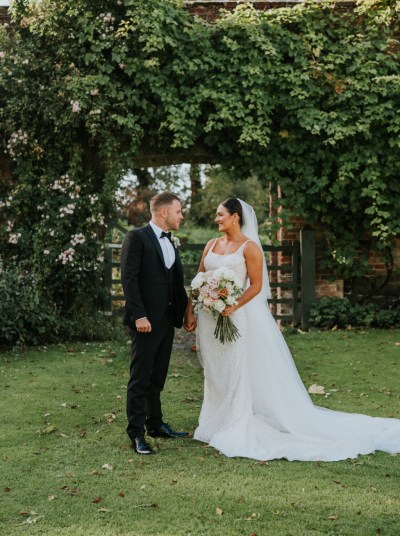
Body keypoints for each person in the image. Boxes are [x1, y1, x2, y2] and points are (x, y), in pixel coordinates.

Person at [184, 198, 400, 461]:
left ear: (236, 217)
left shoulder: (249, 248)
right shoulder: (211, 245)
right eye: (216, 215)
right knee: (215, 371)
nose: (216, 219)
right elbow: (198, 281)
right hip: (208, 318)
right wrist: (190, 311)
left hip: (233, 316)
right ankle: (212, 422)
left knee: (234, 369)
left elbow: (255, 286)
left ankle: (235, 423)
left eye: (220, 214)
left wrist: (232, 304)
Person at [121, 192, 196, 455]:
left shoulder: (171, 243)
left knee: (158, 376)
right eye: (178, 211)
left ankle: (155, 424)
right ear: (163, 212)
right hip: (144, 321)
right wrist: (139, 315)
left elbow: (175, 283)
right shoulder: (137, 237)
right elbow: (129, 279)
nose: (181, 215)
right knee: (141, 377)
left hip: (166, 321)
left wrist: (187, 313)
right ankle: (136, 433)